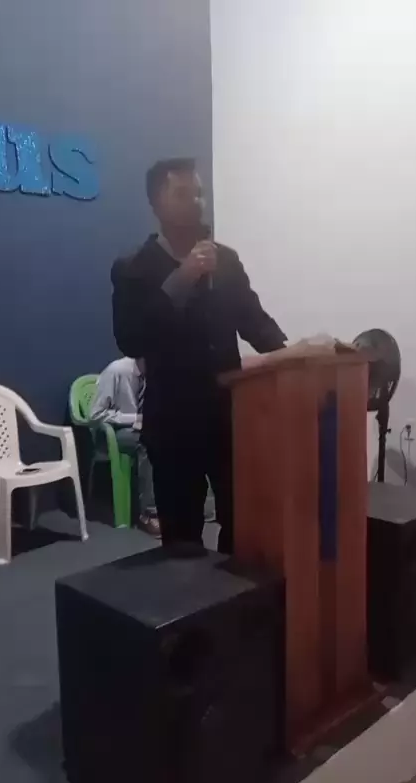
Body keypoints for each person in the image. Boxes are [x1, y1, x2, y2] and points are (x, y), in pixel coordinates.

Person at [111, 158, 287, 553]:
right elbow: (131, 339)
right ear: (156, 203)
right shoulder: (133, 268)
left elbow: (254, 322)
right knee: (182, 542)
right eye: (182, 194)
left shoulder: (226, 260)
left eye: (199, 193)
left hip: (231, 419)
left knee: (244, 529)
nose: (196, 202)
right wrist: (182, 278)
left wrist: (293, 357)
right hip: (173, 425)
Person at [89, 357, 160, 536]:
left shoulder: (154, 373)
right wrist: (134, 419)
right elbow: (95, 415)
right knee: (149, 442)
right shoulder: (117, 371)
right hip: (116, 432)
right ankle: (150, 513)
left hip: (141, 427)